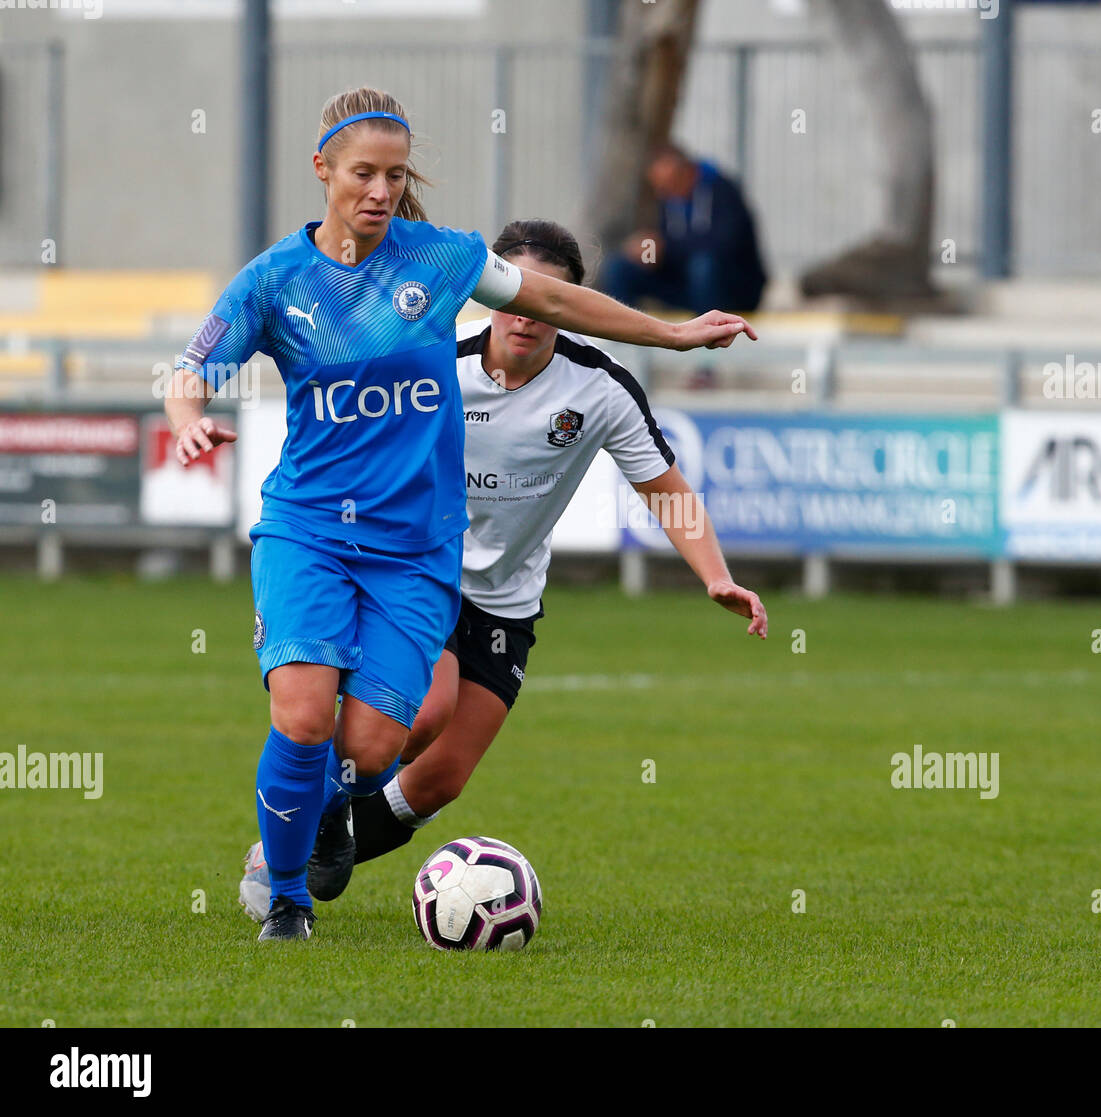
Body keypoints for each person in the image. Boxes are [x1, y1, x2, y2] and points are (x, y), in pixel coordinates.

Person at [167, 89, 756, 942]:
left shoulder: (441, 260)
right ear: (322, 170)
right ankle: (287, 898)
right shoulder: (273, 280)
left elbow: (558, 303)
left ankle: (321, 819)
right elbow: (191, 370)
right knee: (302, 713)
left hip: (414, 553)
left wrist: (671, 335)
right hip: (308, 528)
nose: (378, 189)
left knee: (374, 748)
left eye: (394, 175)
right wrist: (187, 426)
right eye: (362, 172)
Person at [598, 143, 768, 315]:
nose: (661, 193)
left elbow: (722, 245)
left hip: (732, 289)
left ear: (687, 173)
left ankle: (707, 336)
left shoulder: (723, 191)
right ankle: (624, 330)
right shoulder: (669, 200)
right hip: (686, 285)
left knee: (703, 266)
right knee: (619, 266)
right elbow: (668, 244)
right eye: (658, 187)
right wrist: (649, 251)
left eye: (666, 185)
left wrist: (665, 247)